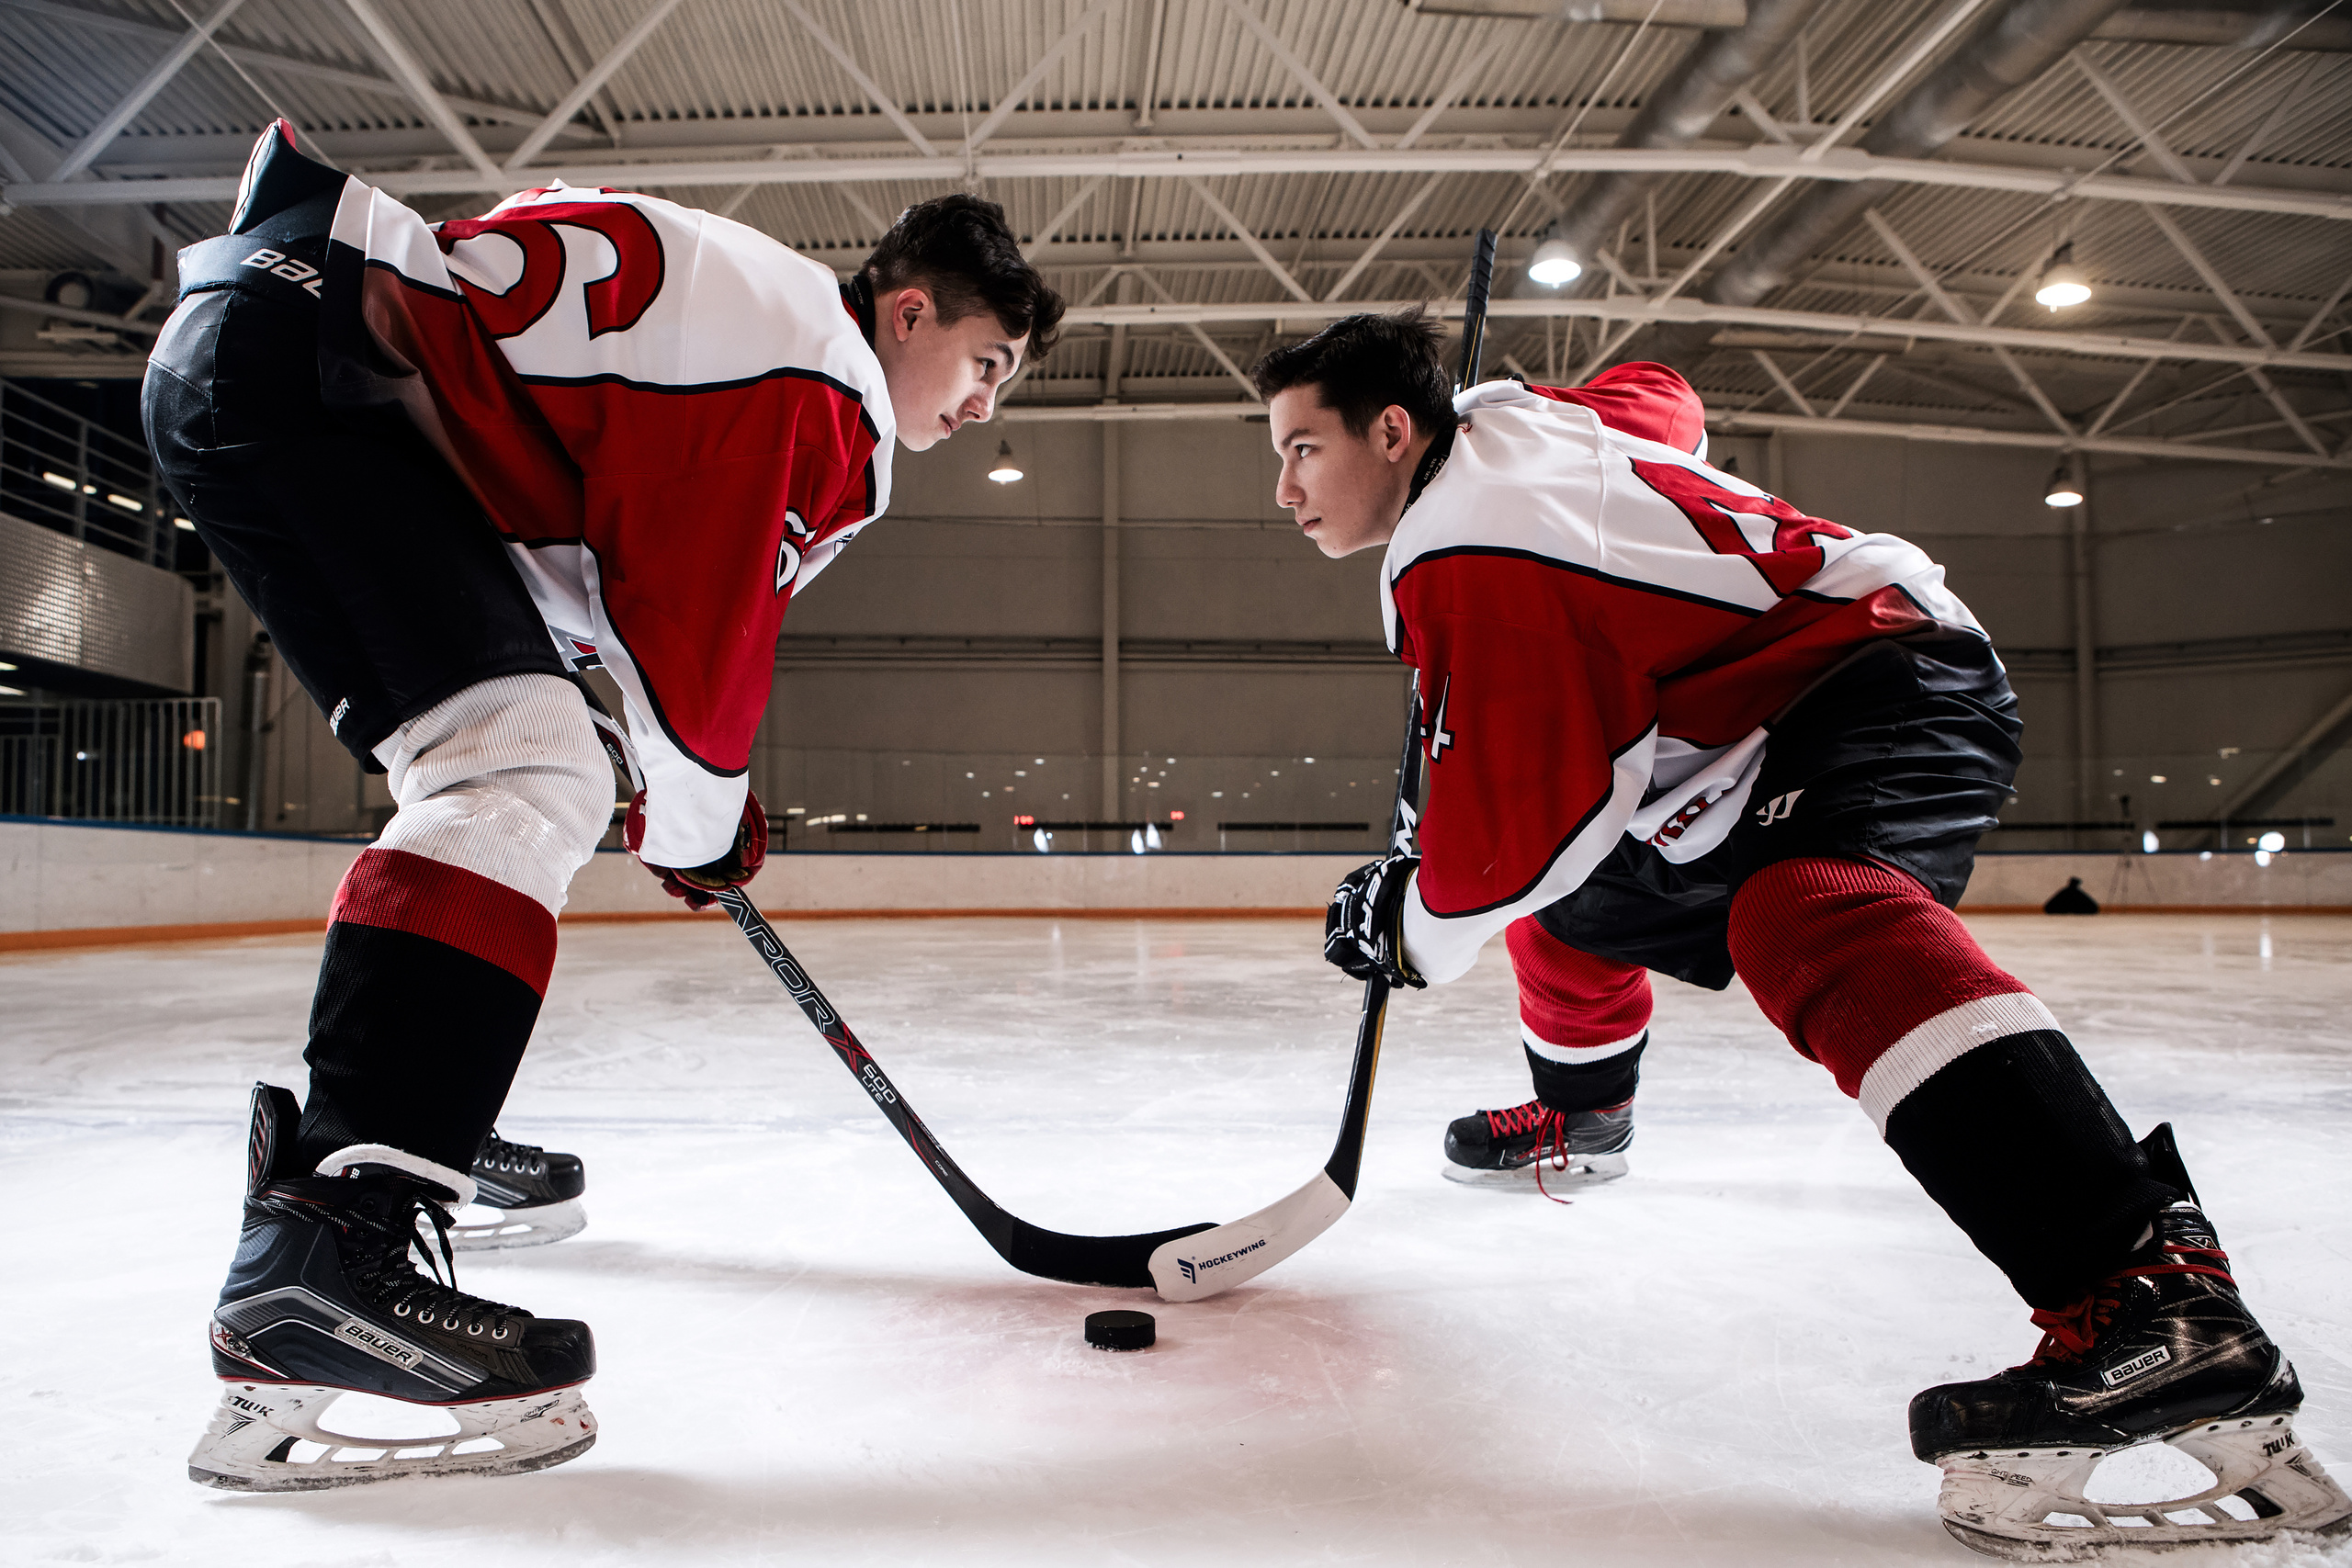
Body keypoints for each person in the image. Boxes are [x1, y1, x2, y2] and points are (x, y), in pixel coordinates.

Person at [1251, 310, 2348, 1559]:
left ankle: (2158, 1302)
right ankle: (1584, 1113)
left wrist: (1413, 926)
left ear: (1393, 431)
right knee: (1578, 890)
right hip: (1747, 736)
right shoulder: (1519, 425)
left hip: (1876, 670)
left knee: (1798, 907)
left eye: (1301, 450)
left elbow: (1529, 825)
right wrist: (1542, 407)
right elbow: (1661, 396)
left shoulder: (1467, 549)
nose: (1284, 488)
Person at [145, 121, 1060, 1490]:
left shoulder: (757, 325)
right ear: (910, 309)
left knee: (516, 756)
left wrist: (671, 788)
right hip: (316, 372)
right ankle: (337, 1242)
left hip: (282, 350)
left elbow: (604, 592)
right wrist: (698, 818)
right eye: (987, 363)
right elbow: (694, 634)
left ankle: (404, 1134)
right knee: (519, 770)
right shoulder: (817, 369)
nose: (985, 403)